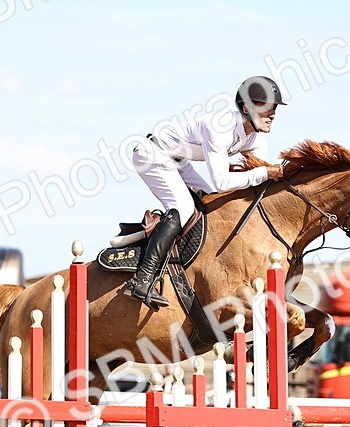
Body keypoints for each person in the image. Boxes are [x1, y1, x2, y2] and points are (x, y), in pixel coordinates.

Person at [123, 75, 288, 309]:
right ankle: (142, 278)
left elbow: (260, 178)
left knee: (214, 202)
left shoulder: (256, 138)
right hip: (152, 154)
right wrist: (264, 173)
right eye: (266, 108)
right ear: (246, 108)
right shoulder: (220, 127)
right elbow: (222, 181)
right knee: (183, 207)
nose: (272, 114)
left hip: (179, 162)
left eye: (274, 109)